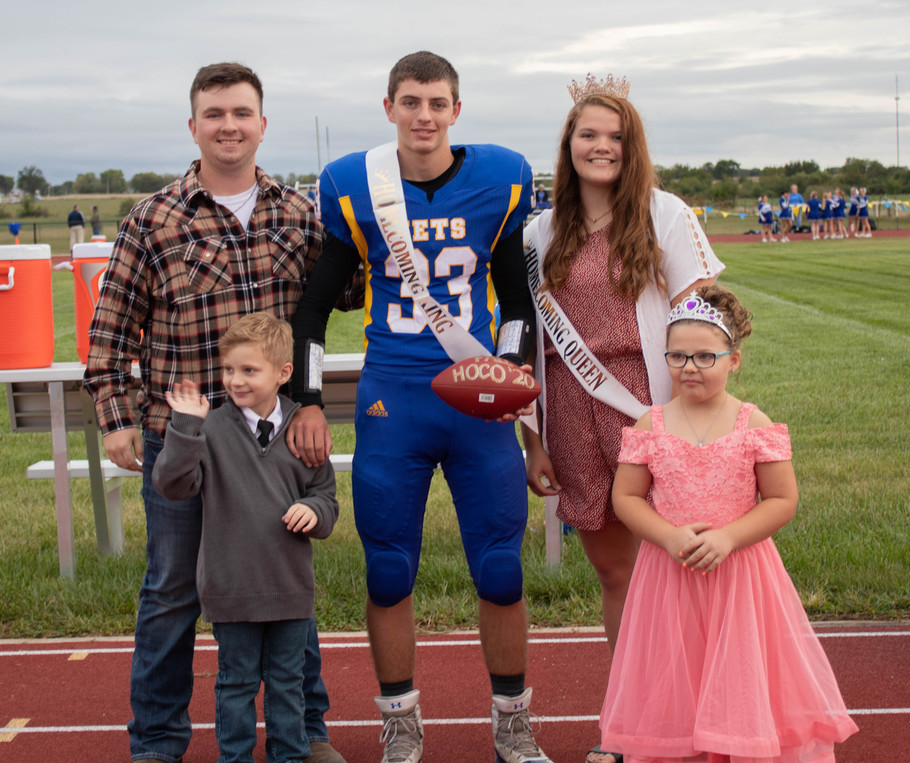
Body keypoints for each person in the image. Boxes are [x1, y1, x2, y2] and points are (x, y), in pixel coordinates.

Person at [289, 51, 551, 763]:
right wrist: (307, 398)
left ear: (456, 110)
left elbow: (517, 299)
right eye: (411, 102)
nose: (425, 116)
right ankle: (400, 721)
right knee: (388, 568)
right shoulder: (353, 186)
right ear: (389, 108)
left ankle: (512, 721)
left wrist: (510, 372)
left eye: (437, 103)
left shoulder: (501, 179)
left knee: (500, 566)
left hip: (476, 404)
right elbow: (312, 310)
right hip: (392, 401)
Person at [83, 62, 345, 763]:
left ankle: (307, 732)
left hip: (276, 445)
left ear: (262, 123)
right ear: (193, 125)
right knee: (171, 591)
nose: (229, 125)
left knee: (288, 588)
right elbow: (111, 331)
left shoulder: (298, 214)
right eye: (214, 114)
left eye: (241, 112)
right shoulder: (154, 219)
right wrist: (115, 416)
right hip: (188, 445)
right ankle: (159, 741)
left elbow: (346, 289)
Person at [522, 74, 724, 763]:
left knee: (679, 569)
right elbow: (527, 340)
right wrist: (533, 436)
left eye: (615, 135)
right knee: (619, 579)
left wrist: (701, 413)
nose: (601, 146)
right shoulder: (539, 230)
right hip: (570, 411)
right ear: (568, 144)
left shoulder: (664, 213)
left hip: (649, 405)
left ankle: (704, 715)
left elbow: (702, 312)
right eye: (588, 134)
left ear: (632, 146)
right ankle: (633, 728)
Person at [601, 285, 859, 761]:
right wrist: (667, 534)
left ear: (733, 360)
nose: (689, 368)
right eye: (677, 357)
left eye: (704, 357)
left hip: (742, 578)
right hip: (669, 579)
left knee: (742, 677)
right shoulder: (649, 426)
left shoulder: (753, 424)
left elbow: (782, 499)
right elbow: (626, 498)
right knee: (676, 681)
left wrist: (728, 536)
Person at [152, 313, 339, 763]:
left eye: (249, 371)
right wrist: (185, 429)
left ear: (283, 373)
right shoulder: (210, 428)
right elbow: (172, 486)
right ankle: (234, 757)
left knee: (287, 682)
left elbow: (327, 500)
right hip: (231, 589)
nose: (235, 381)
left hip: (289, 590)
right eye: (229, 370)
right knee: (234, 683)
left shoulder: (302, 428)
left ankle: (289, 754)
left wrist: (312, 511)